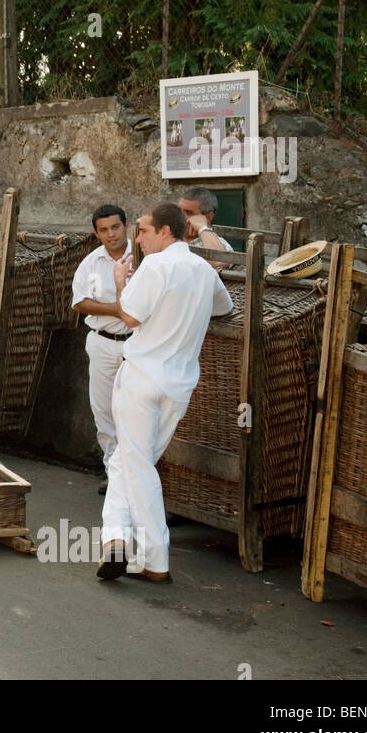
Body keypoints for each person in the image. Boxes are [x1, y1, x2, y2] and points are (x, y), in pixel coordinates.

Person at [97, 202, 233, 584]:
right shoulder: (203, 271)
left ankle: (155, 560)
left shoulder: (155, 265)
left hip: (142, 377)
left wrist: (121, 281)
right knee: (126, 462)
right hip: (179, 384)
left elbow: (129, 317)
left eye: (143, 230)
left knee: (137, 466)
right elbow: (224, 309)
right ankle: (115, 540)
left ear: (165, 231)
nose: (138, 239)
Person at [70, 204, 132, 496]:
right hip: (102, 342)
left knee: (137, 410)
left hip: (137, 343)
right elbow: (79, 302)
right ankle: (114, 475)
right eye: (104, 230)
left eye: (115, 227)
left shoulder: (143, 257)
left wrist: (127, 313)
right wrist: (117, 310)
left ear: (126, 225)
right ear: (96, 233)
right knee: (104, 411)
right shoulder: (91, 262)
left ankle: (140, 476)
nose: (111, 234)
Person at [177, 186, 233, 272]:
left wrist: (202, 228)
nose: (181, 217)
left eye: (189, 212)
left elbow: (219, 262)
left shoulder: (221, 244)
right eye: (179, 211)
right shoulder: (168, 237)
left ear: (209, 216)